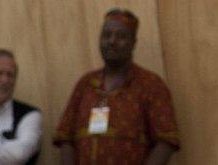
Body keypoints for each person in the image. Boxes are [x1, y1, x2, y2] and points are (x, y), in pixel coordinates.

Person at [53, 9, 180, 165]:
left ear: (133, 42)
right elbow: (65, 137)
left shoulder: (151, 85)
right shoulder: (85, 84)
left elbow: (166, 141)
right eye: (106, 35)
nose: (112, 41)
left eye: (121, 36)